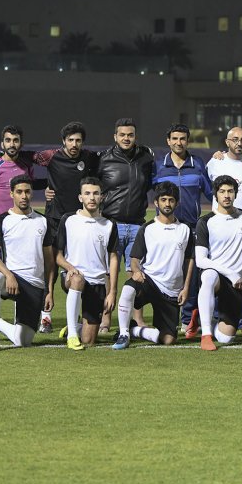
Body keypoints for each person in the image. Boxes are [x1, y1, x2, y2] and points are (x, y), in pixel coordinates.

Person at [0, 125, 47, 334]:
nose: (12, 144)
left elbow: (32, 185)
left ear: (21, 144)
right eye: (8, 140)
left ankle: (21, 319)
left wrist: (54, 185)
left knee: (23, 272)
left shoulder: (26, 165)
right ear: (2, 144)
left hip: (22, 229)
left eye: (16, 140)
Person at [32, 121, 99, 333]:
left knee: (78, 265)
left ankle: (77, 315)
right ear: (63, 141)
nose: (74, 144)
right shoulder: (51, 156)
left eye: (78, 140)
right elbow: (25, 158)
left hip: (78, 221)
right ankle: (46, 316)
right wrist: (44, 187)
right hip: (54, 218)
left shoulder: (89, 157)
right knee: (50, 266)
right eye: (70, 140)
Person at [112, 182, 195, 349]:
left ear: (176, 203)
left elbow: (189, 260)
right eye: (163, 200)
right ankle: (123, 334)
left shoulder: (185, 230)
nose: (167, 204)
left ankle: (135, 330)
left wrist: (185, 288)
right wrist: (135, 271)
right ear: (156, 203)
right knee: (128, 288)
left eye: (171, 200)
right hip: (149, 281)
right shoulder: (147, 228)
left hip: (171, 290)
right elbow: (135, 258)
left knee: (168, 340)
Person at [0, 175, 55, 352]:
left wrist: (49, 291)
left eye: (27, 192)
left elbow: (49, 261)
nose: (24, 196)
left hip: (34, 284)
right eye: (19, 192)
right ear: (12, 194)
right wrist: (8, 275)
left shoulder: (43, 221)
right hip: (10, 278)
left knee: (24, 341)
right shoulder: (0, 221)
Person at [152, 123, 212, 338]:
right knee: (168, 273)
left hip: (192, 227)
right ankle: (167, 318)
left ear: (188, 141)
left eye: (182, 139)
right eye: (174, 139)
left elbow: (211, 193)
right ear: (168, 141)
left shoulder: (198, 164)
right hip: (167, 228)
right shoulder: (159, 166)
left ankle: (188, 320)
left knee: (191, 275)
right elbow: (149, 193)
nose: (179, 143)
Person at [97, 118, 156, 333]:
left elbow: (152, 184)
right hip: (111, 224)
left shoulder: (146, 158)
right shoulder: (103, 159)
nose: (126, 138)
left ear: (135, 137)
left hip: (138, 225)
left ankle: (137, 319)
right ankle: (105, 319)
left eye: (130, 135)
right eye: (122, 135)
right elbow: (91, 186)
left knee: (137, 272)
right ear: (115, 137)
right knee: (107, 274)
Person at [206, 126, 242, 333]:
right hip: (220, 227)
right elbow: (208, 190)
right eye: (235, 139)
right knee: (216, 271)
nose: (239, 143)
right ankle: (215, 317)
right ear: (227, 142)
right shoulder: (215, 162)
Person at [195, 175, 242, 351]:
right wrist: (229, 273)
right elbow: (201, 260)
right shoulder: (205, 221)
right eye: (222, 191)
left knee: (226, 338)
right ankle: (206, 335)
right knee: (208, 275)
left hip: (237, 283)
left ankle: (203, 316)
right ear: (215, 195)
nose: (226, 195)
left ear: (236, 193)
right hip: (216, 275)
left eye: (230, 191)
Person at [54, 177, 120, 350]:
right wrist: (70, 268)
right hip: (72, 277)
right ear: (80, 197)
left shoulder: (109, 224)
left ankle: (75, 327)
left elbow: (113, 258)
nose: (92, 197)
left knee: (89, 341)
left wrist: (112, 292)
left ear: (102, 197)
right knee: (77, 279)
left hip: (97, 283)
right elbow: (58, 256)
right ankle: (72, 335)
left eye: (96, 193)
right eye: (87, 193)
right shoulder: (68, 220)